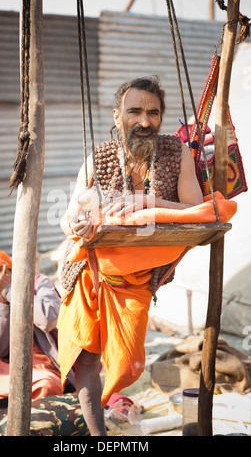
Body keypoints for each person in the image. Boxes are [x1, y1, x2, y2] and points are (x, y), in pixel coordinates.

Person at [57, 77, 204, 435]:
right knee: (87, 355)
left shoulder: (176, 152)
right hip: (89, 270)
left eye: (153, 113)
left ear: (161, 117)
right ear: (117, 114)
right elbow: (68, 216)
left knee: (124, 362)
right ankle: (98, 437)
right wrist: (75, 222)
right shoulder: (101, 156)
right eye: (135, 111)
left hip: (136, 278)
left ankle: (113, 407)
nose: (144, 121)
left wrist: (148, 203)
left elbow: (196, 210)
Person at [0, 243, 74, 410]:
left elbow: (48, 320)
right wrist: (3, 303)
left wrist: (10, 291)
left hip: (44, 367)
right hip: (8, 368)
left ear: (10, 270)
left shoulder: (38, 282)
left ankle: (6, 396)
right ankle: (12, 394)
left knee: (48, 384)